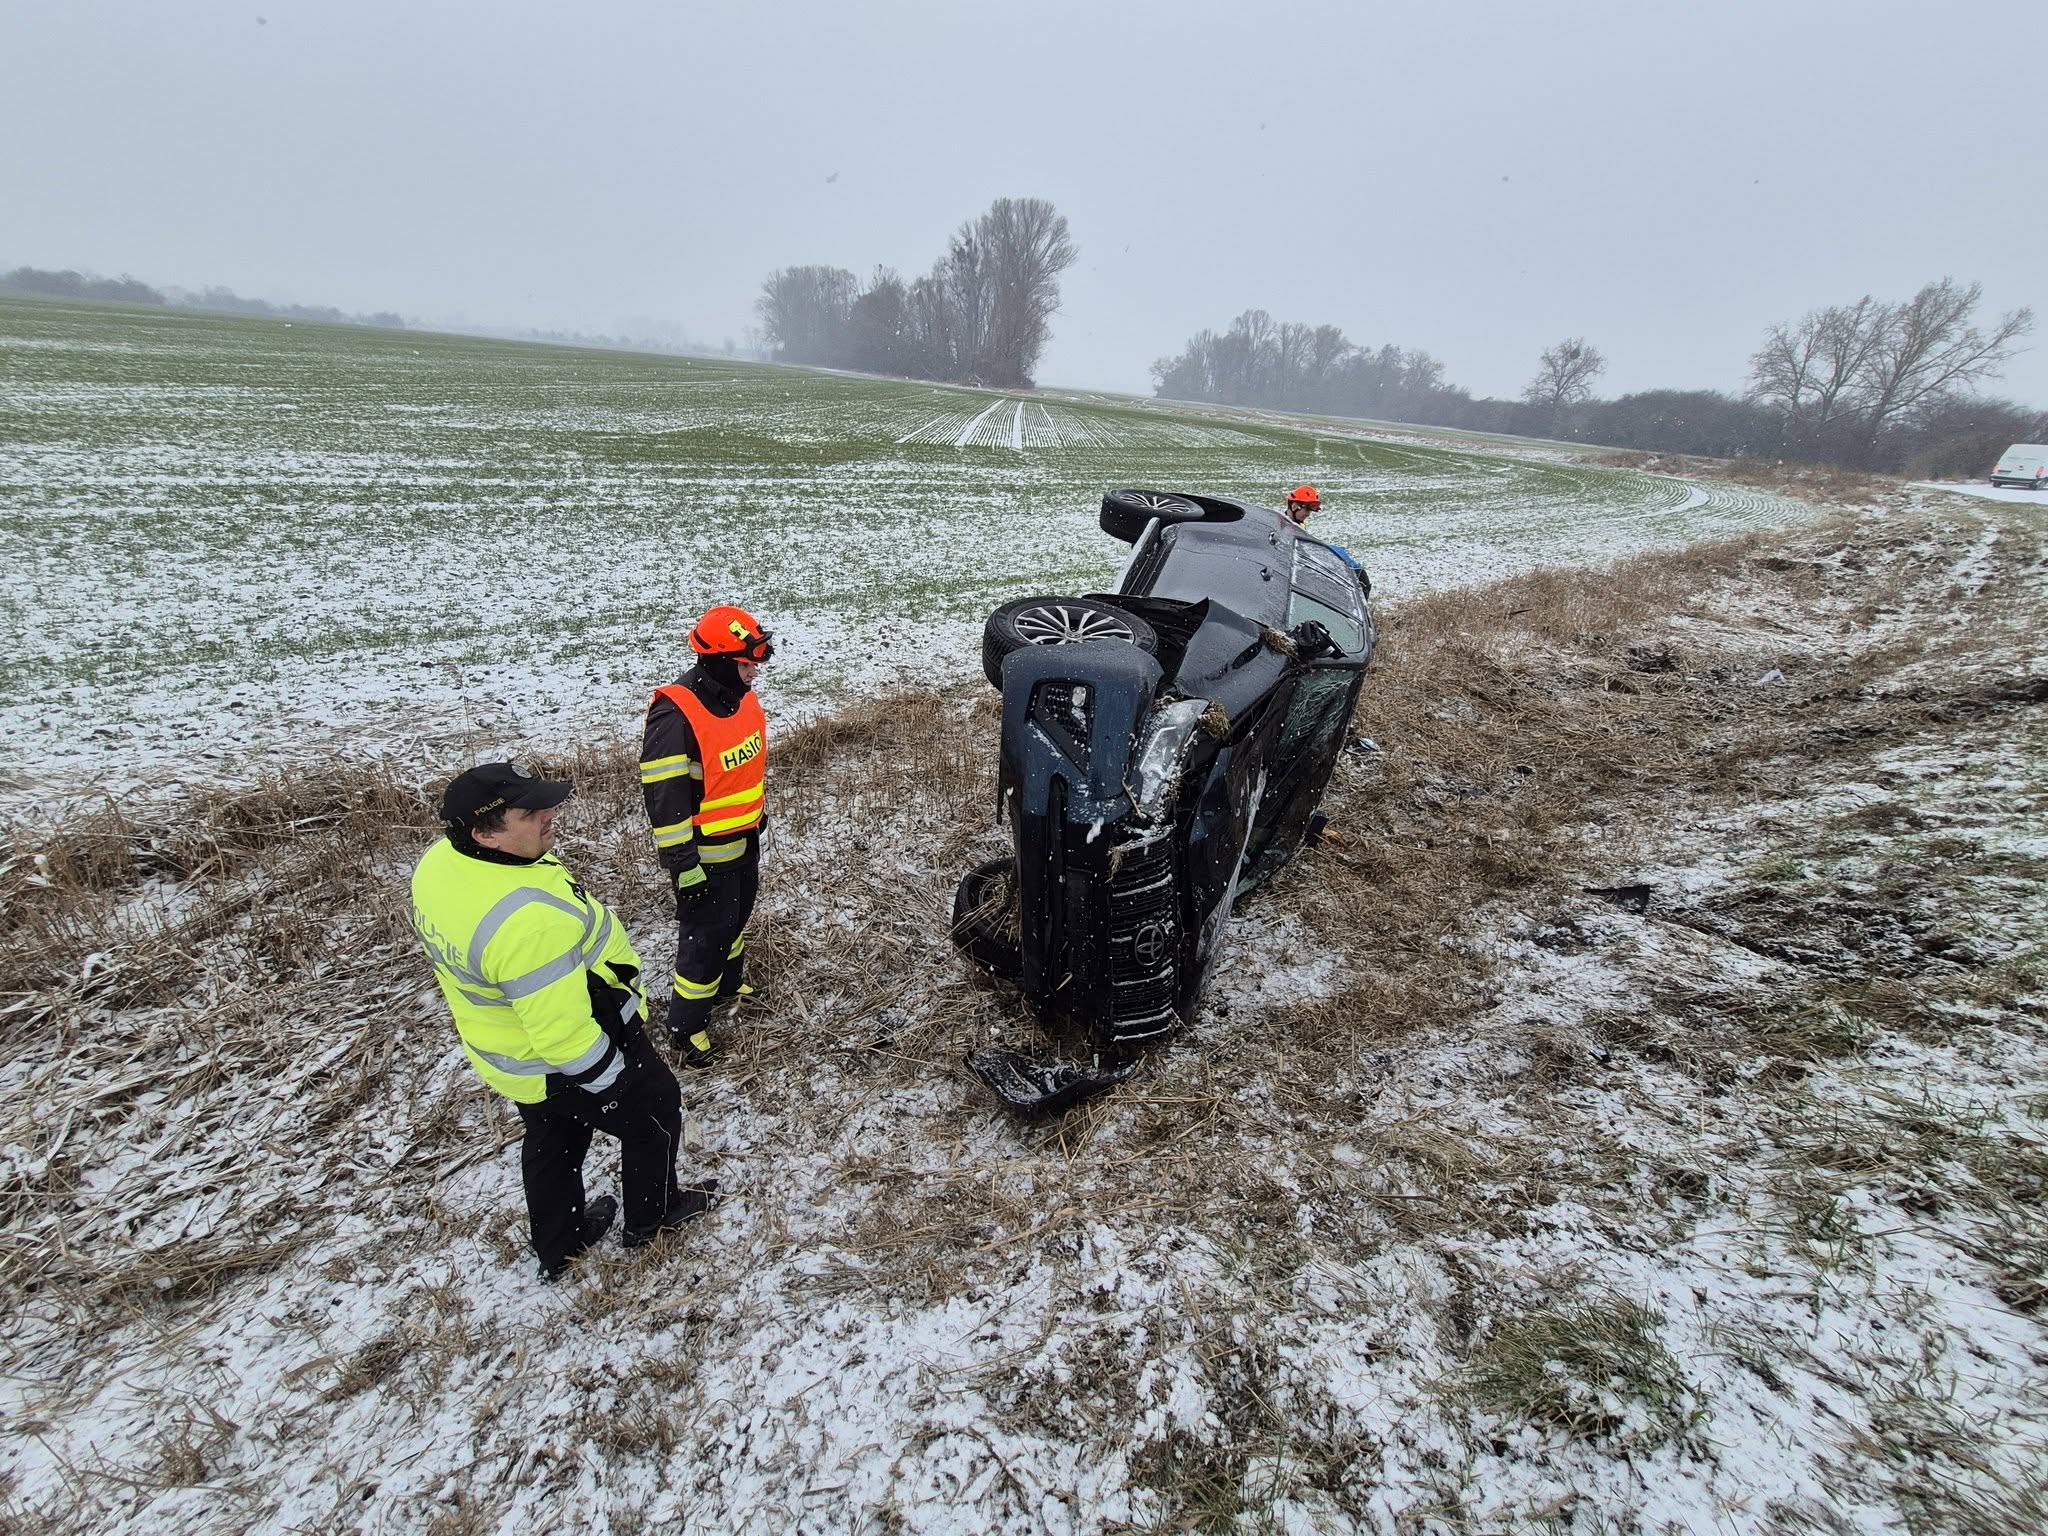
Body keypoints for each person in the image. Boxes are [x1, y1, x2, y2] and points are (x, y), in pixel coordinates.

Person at [410, 761, 714, 1282]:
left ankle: (560, 1242)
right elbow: (563, 1035)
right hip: (568, 1051)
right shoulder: (527, 924)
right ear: (486, 833)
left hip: (511, 1054)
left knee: (552, 1140)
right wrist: (614, 1084)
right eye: (530, 813)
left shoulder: (442, 863)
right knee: (656, 1111)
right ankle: (653, 1217)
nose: (550, 816)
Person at [640, 605, 774, 1069]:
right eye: (746, 661)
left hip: (744, 838)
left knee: (736, 918)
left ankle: (729, 981)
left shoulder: (741, 697)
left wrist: (757, 816)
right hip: (704, 856)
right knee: (705, 937)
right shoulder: (675, 716)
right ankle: (687, 1025)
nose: (754, 670)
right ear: (718, 660)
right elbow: (665, 801)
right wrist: (683, 865)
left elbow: (739, 771)